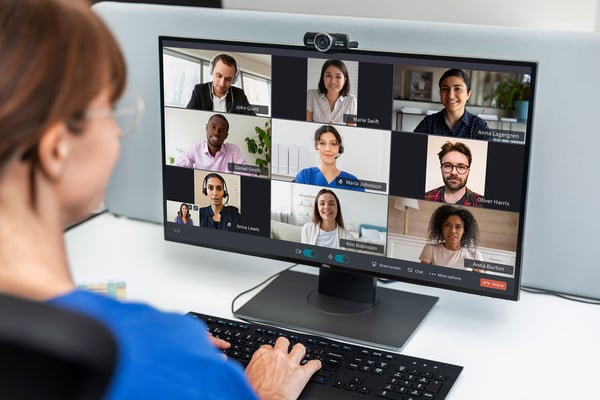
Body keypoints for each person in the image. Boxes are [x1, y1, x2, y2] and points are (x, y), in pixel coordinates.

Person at [0, 1, 320, 399]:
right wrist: (264, 392)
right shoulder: (161, 350)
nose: (120, 133)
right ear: (56, 151)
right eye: (113, 111)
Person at [414, 68, 489, 139]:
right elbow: (412, 148)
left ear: (468, 94)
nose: (450, 95)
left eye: (457, 89)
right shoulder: (428, 123)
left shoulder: (479, 125)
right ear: (440, 93)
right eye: (445, 89)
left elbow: (491, 151)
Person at [294, 125, 364, 192]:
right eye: (322, 143)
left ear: (339, 148)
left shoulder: (352, 182)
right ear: (316, 146)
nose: (328, 149)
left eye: (333, 144)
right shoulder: (305, 176)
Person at [174, 113, 247, 173]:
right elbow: (179, 166)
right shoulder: (195, 148)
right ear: (206, 128)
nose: (216, 133)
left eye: (221, 130)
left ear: (226, 136)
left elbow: (245, 172)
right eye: (213, 127)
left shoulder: (233, 150)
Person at [186, 53, 256, 115]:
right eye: (218, 76)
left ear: (234, 79)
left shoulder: (239, 95)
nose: (222, 83)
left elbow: (252, 118)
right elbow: (188, 116)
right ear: (211, 71)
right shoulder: (199, 91)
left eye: (228, 79)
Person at [419, 205, 484, 269]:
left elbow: (479, 279)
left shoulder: (475, 255)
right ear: (441, 227)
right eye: (447, 225)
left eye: (458, 227)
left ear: (465, 230)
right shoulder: (430, 250)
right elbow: (422, 276)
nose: (452, 231)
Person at [425, 141, 483, 206]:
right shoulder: (425, 197)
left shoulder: (482, 203)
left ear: (468, 171)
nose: (454, 172)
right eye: (447, 166)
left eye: (461, 167)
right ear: (441, 169)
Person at [306, 59, 357, 126]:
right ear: (323, 77)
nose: (333, 81)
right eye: (328, 76)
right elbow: (307, 126)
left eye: (338, 77)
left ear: (344, 80)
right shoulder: (312, 95)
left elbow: (351, 130)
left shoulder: (351, 101)